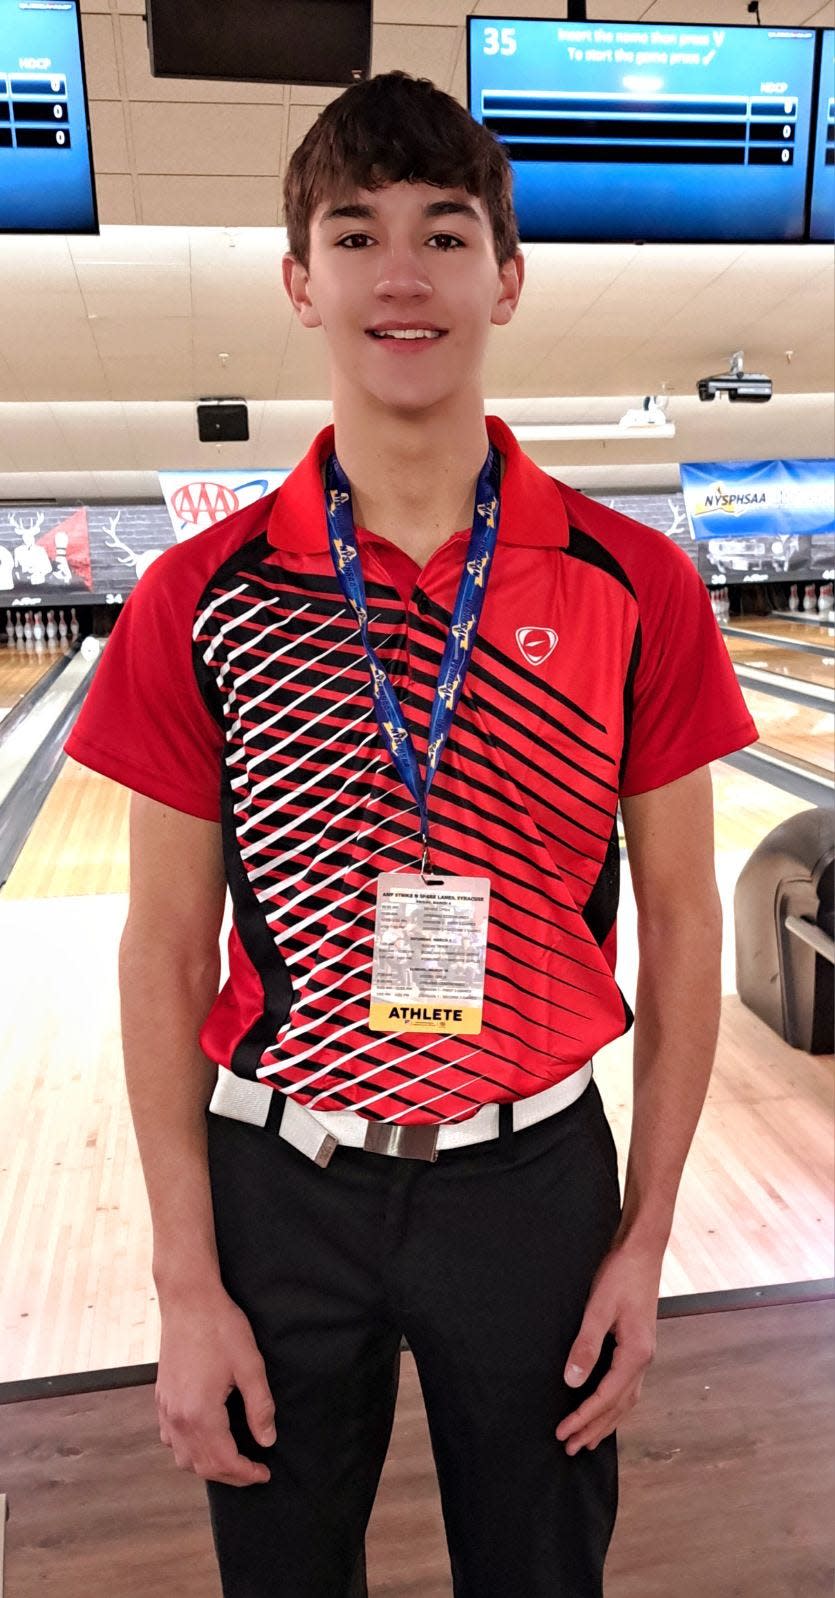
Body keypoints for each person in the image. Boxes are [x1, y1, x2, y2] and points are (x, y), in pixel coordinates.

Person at [65, 71, 758, 1598]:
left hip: (531, 1184)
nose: (403, 273)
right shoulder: (202, 597)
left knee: (541, 1573)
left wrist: (644, 1242)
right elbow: (165, 946)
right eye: (356, 232)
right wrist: (184, 1278)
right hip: (281, 1178)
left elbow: (690, 923)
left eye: (446, 236)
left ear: (505, 277)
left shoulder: (635, 584)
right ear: (299, 277)